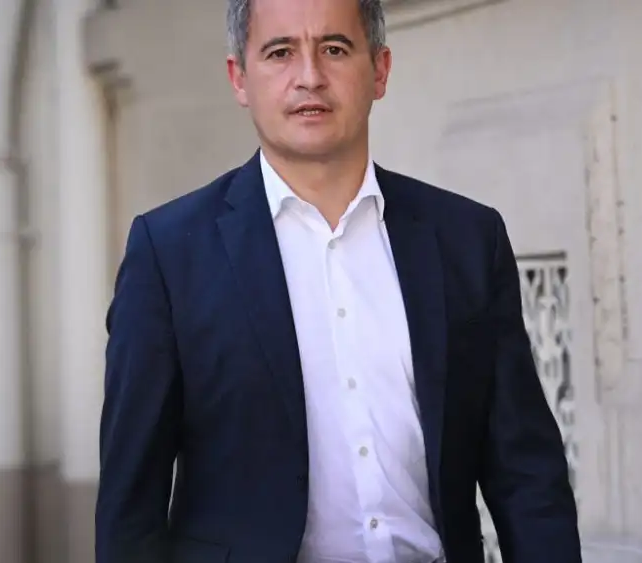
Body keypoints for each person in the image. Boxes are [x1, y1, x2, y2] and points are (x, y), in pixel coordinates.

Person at [94, 0, 581, 561]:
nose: (310, 77)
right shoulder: (170, 255)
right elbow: (132, 507)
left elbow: (527, 477)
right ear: (239, 78)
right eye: (280, 53)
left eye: (334, 48)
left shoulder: (467, 239)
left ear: (379, 69)